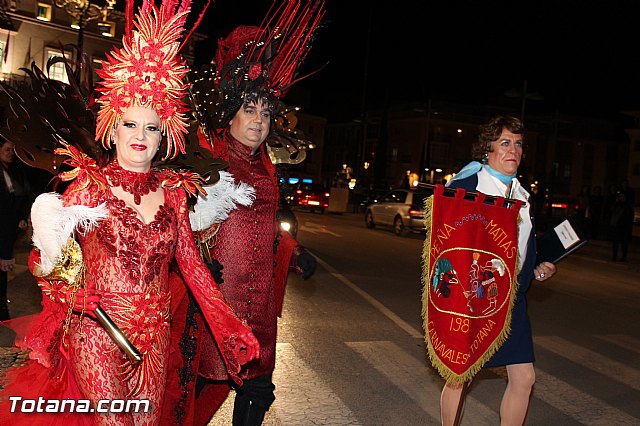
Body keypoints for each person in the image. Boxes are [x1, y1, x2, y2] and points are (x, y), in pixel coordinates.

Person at [0, 1, 260, 424]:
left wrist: (230, 326)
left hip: (154, 338)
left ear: (165, 136)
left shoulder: (175, 195)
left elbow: (193, 270)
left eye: (151, 127)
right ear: (112, 128)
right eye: (130, 125)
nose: (140, 136)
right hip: (96, 332)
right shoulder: (90, 185)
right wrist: (67, 293)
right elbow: (44, 256)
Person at [162, 2, 324, 425]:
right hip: (216, 299)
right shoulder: (206, 156)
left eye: (266, 113)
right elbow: (176, 222)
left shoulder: (266, 166)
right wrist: (195, 261)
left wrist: (295, 249)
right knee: (195, 386)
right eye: (249, 110)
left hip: (258, 299)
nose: (259, 121)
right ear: (230, 113)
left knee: (257, 388)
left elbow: (269, 229)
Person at [440, 115, 557, 426]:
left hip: (511, 297)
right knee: (459, 376)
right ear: (487, 149)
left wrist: (536, 267)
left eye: (518, 144)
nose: (513, 150)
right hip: (474, 297)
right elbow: (445, 238)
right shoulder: (469, 184)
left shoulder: (523, 195)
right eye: (505, 143)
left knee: (524, 377)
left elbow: (521, 247)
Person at [0, 139, 33, 320]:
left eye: (12, 150)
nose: (10, 153)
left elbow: (20, 197)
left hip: (8, 231)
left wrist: (21, 216)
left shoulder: (12, 171)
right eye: (7, 150)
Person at [609, 190, 634, 262]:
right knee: (615, 242)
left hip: (624, 227)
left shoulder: (628, 206)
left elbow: (630, 216)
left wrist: (627, 225)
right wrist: (616, 202)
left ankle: (624, 257)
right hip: (617, 226)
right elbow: (612, 210)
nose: (621, 198)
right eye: (620, 196)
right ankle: (614, 256)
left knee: (624, 243)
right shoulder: (617, 204)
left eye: (623, 196)